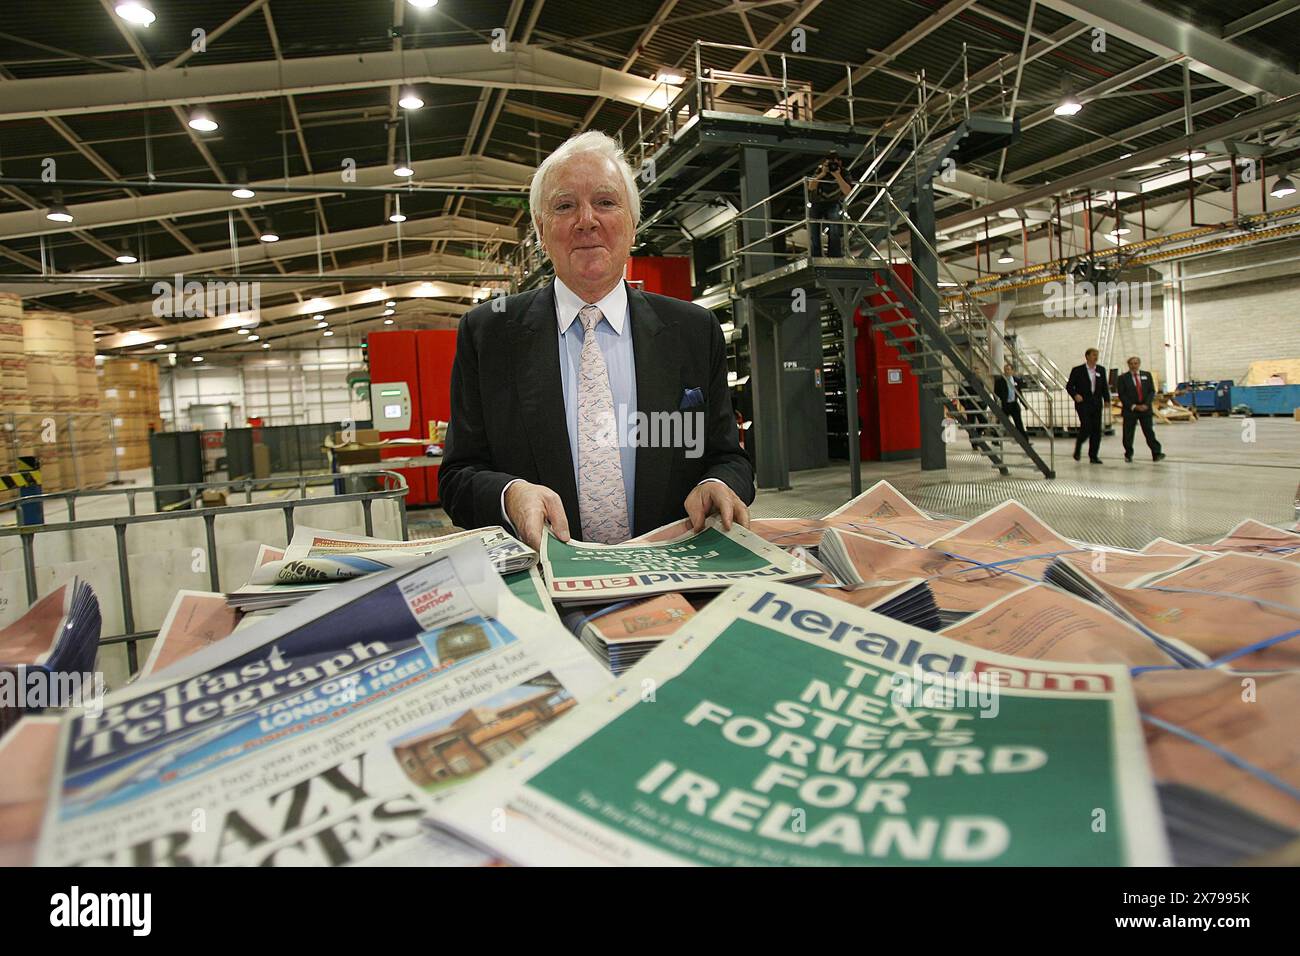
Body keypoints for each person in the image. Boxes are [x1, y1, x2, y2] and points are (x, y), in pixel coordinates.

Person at [438, 131, 755, 550]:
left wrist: (718, 482)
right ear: (540, 229)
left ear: (632, 222)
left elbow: (727, 455)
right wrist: (511, 494)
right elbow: (459, 476)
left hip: (671, 575)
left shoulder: (693, 330)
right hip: (544, 580)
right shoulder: (489, 334)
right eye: (565, 206)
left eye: (605, 202)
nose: (587, 219)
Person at [1115, 355, 1165, 463]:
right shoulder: (1122, 378)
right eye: (1131, 363)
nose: (1134, 365)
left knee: (1149, 432)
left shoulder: (1146, 375)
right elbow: (1122, 395)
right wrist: (1134, 406)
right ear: (1128, 365)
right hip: (1130, 410)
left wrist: (1146, 404)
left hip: (1145, 409)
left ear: (1139, 364)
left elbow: (1151, 391)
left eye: (1136, 363)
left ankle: (1156, 453)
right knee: (1128, 434)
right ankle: (1128, 454)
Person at [1066, 347, 1109, 463]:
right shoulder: (1077, 370)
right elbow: (1069, 386)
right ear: (1087, 356)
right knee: (1086, 426)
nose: (1096, 357)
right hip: (1083, 403)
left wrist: (1107, 400)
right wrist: (1075, 395)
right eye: (1094, 355)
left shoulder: (1101, 370)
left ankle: (1093, 456)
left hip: (1096, 404)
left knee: (1096, 430)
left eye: (1097, 355)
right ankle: (1078, 446)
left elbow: (1104, 386)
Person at [808, 153, 852, 257]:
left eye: (836, 161)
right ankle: (816, 254)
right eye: (831, 161)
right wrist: (822, 174)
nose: (834, 164)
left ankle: (834, 254)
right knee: (814, 230)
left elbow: (847, 191)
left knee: (834, 229)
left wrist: (837, 175)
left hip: (833, 203)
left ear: (840, 162)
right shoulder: (820, 170)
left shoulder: (844, 172)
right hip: (816, 202)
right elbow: (810, 187)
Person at [993, 362, 1028, 440]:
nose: (1007, 371)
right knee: (1001, 422)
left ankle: (1025, 440)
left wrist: (1025, 404)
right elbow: (996, 393)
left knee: (1018, 423)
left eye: (1008, 370)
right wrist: (998, 402)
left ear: (1012, 371)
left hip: (1014, 404)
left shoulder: (1017, 380)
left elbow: (1019, 393)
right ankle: (995, 439)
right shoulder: (999, 381)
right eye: (1005, 370)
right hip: (1005, 404)